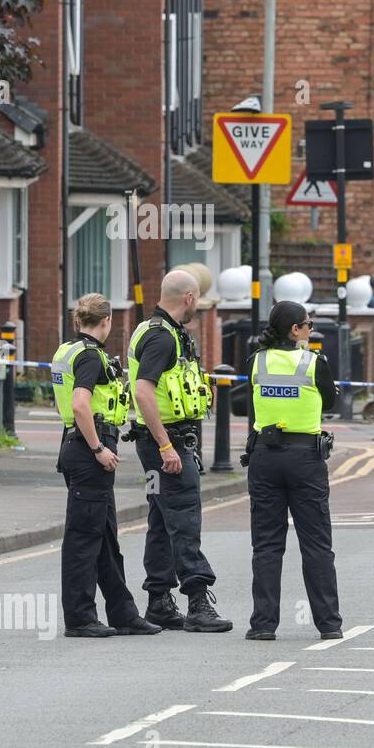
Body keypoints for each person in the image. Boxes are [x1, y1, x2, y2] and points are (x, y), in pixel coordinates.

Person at [51, 295, 162, 638]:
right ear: (107, 322)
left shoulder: (66, 350)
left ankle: (123, 613)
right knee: (83, 539)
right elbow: (81, 405)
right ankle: (80, 618)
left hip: (78, 449)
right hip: (89, 451)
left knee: (104, 537)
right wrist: (98, 447)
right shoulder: (89, 356)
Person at [127, 270, 231, 632]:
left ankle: (158, 600)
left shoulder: (157, 330)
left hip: (156, 444)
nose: (198, 306)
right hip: (166, 446)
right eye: (198, 299)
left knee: (160, 518)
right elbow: (143, 392)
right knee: (185, 519)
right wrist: (167, 446)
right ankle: (198, 600)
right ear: (188, 297)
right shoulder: (162, 338)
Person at [242, 301, 342, 641]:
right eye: (308, 324)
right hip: (305, 460)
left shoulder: (256, 361)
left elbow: (245, 404)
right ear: (295, 330)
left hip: (264, 458)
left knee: (267, 546)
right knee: (316, 544)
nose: (311, 330)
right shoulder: (314, 363)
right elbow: (331, 402)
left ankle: (263, 625)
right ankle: (329, 624)